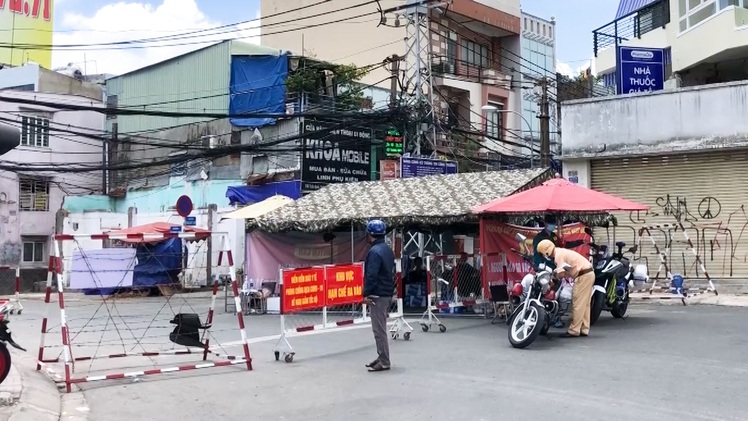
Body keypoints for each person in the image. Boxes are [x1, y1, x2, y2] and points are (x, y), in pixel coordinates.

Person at [536, 239, 594, 338]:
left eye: (543, 254)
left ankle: (574, 330)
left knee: (577, 303)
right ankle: (584, 329)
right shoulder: (561, 251)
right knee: (585, 304)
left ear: (546, 251)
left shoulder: (558, 256)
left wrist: (553, 278)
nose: (544, 256)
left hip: (583, 275)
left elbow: (561, 274)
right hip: (588, 273)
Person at [363, 219, 395, 372]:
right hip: (386, 293)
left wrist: (366, 293)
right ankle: (381, 356)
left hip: (378, 295)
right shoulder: (387, 249)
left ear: (370, 234)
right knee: (380, 328)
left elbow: (371, 275)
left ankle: (384, 360)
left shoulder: (374, 252)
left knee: (379, 329)